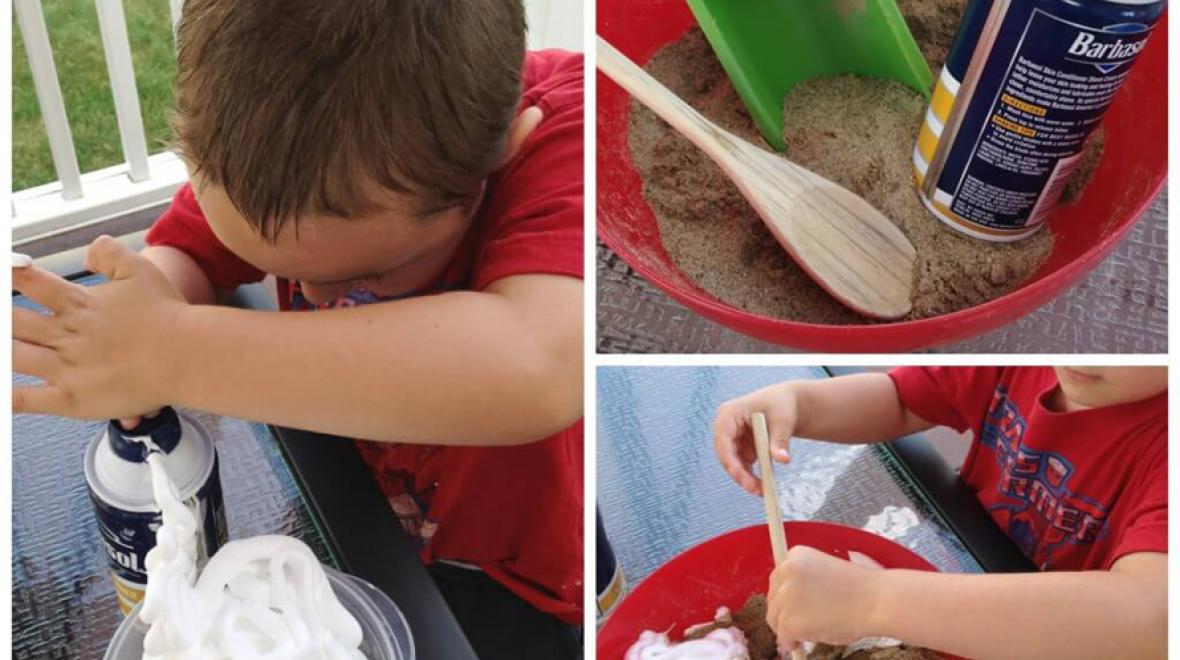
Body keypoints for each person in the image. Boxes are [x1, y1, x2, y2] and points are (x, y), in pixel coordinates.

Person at [11, 2, 583, 657]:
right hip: (359, 506)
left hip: (520, 573)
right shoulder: (273, 147)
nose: (312, 295)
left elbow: (536, 367)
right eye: (276, 264)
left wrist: (171, 352)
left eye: (373, 270)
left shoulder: (567, 137)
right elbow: (186, 258)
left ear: (503, 150)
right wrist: (133, 324)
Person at [714, 367, 1165, 659]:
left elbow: (1151, 621)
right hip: (966, 564)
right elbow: (905, 400)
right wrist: (799, 403)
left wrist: (872, 600)